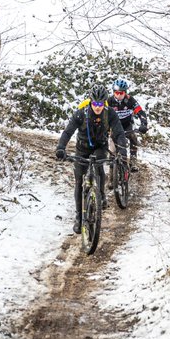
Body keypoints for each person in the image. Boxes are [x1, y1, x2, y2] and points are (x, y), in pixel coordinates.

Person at [55, 84, 127, 234]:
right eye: (95, 104)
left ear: (104, 103)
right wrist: (61, 148)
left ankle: (101, 196)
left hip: (100, 147)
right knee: (79, 182)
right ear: (90, 102)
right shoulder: (81, 114)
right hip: (82, 148)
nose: (98, 107)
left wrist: (122, 152)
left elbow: (119, 133)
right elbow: (68, 132)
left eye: (101, 104)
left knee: (98, 165)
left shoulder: (110, 113)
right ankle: (79, 218)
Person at [106, 78, 148, 166]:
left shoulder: (130, 100)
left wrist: (144, 124)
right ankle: (112, 161)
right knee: (112, 145)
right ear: (113, 92)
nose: (119, 95)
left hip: (127, 125)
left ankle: (133, 161)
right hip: (114, 126)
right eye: (116, 93)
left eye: (121, 93)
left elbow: (141, 112)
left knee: (133, 138)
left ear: (125, 92)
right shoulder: (109, 101)